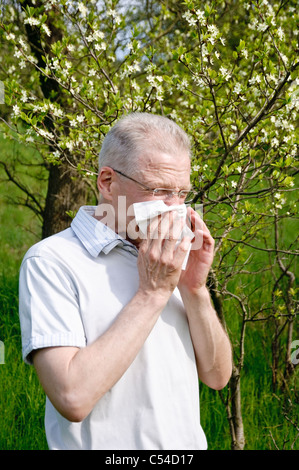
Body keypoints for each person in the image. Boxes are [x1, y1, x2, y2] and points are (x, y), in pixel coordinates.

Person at [19, 112, 232, 450]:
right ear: (107, 182)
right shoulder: (52, 261)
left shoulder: (171, 257)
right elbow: (72, 397)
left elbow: (218, 377)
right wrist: (153, 293)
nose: (174, 208)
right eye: (159, 190)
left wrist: (194, 289)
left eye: (182, 193)